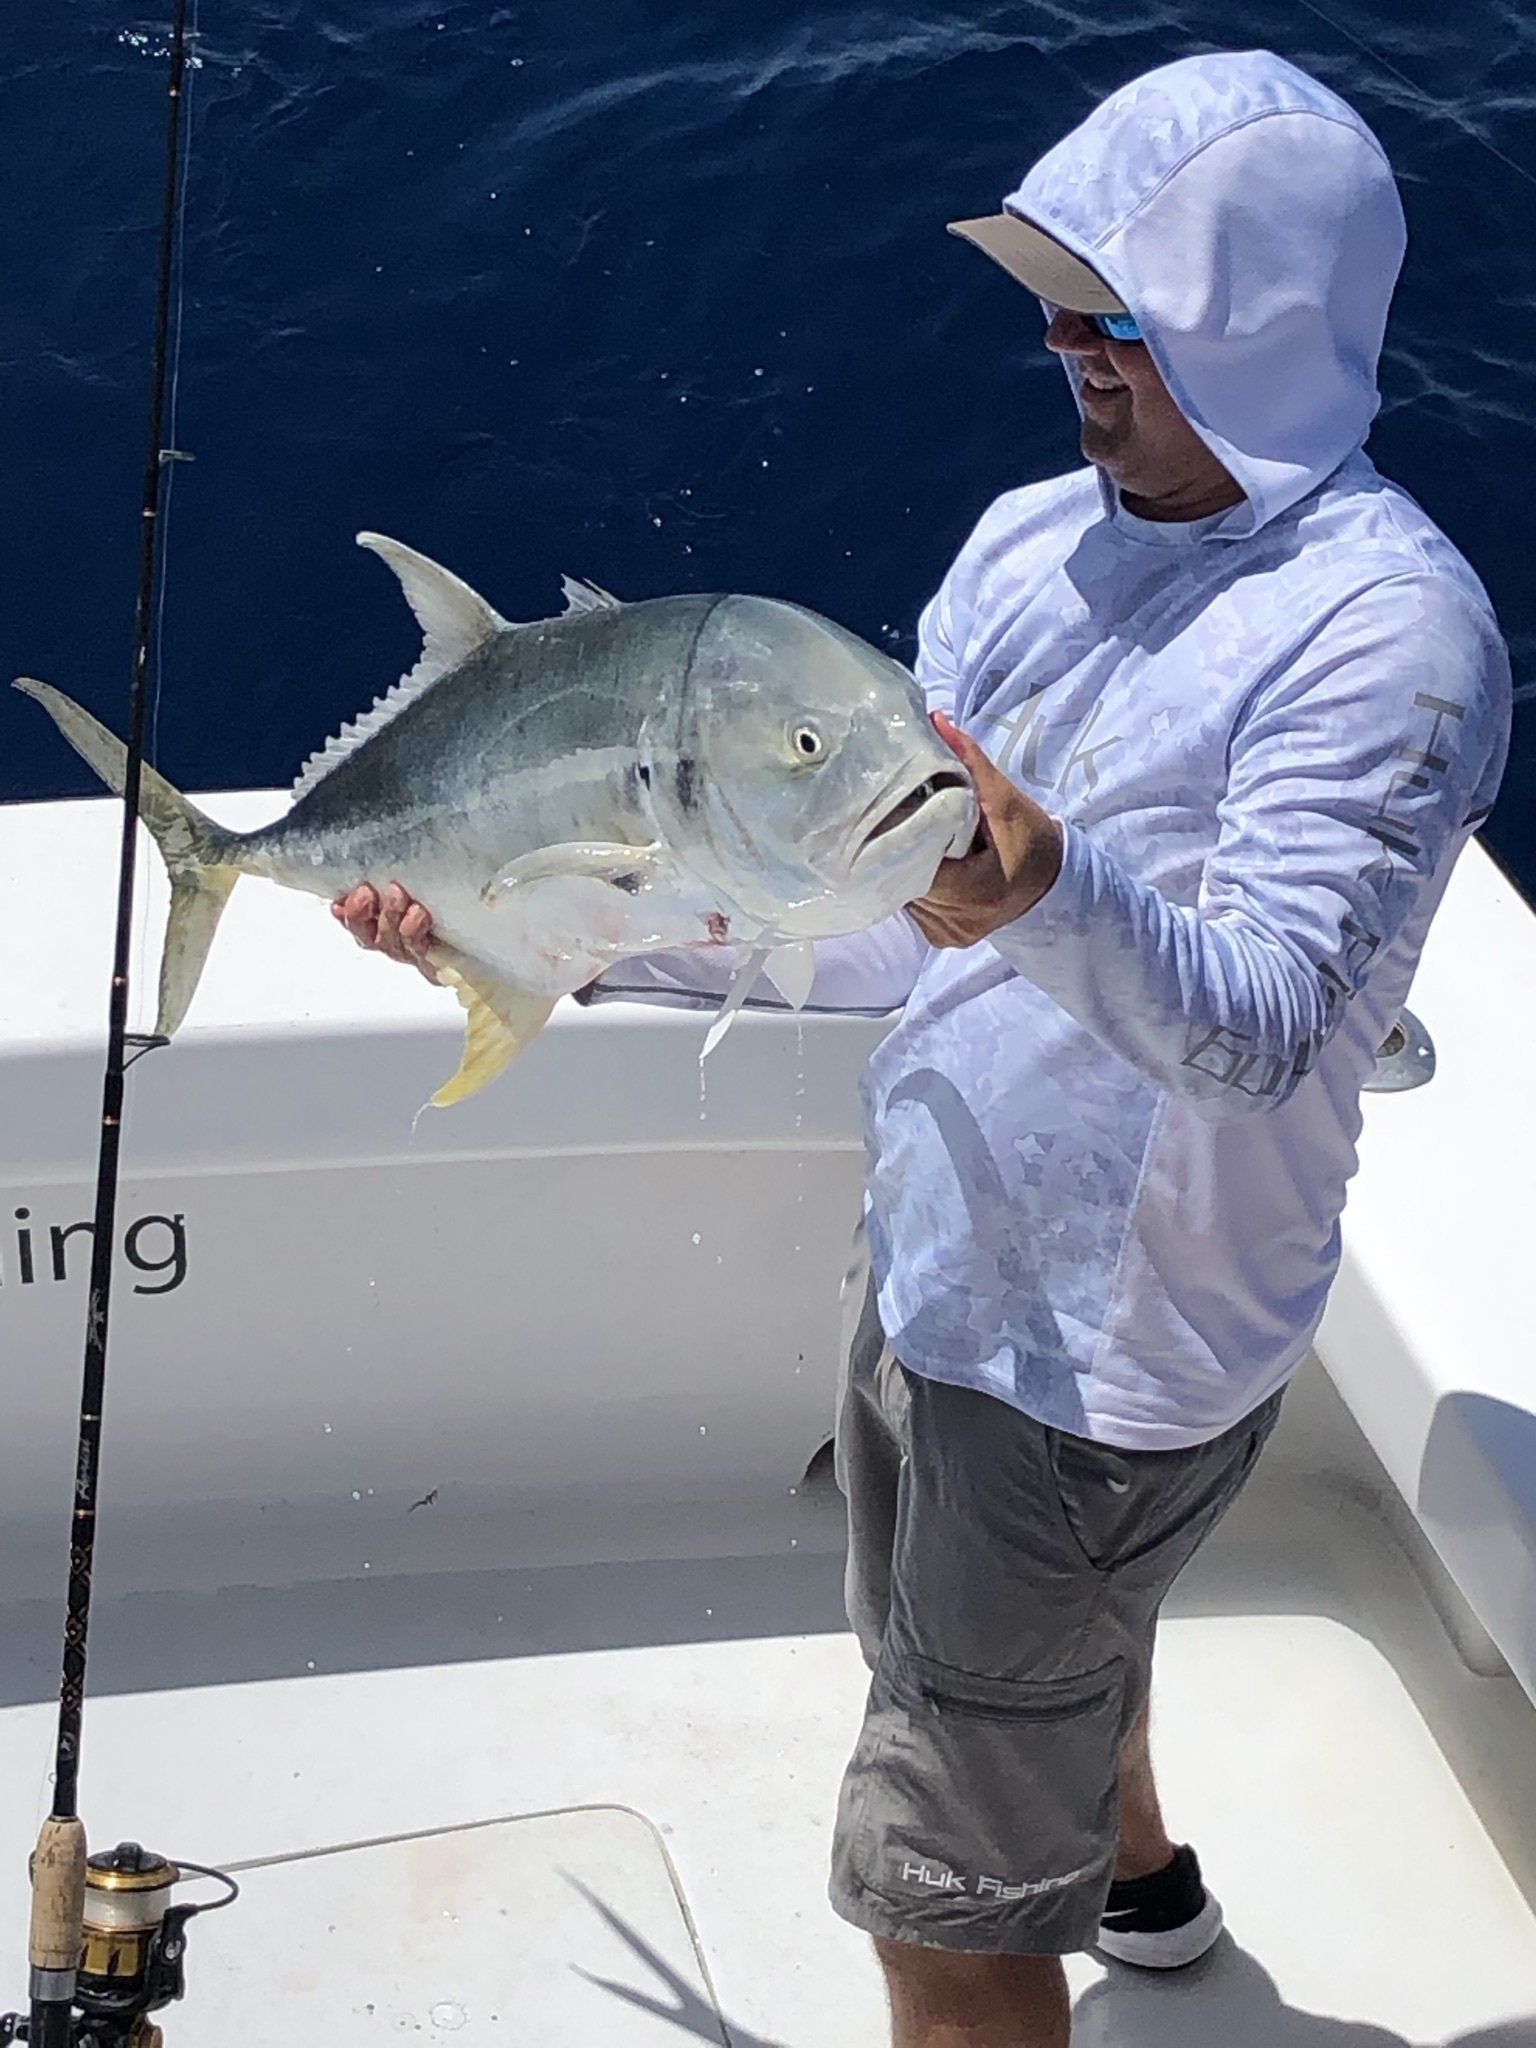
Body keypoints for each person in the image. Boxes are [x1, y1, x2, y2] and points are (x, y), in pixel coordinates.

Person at [334, 48, 1511, 2048]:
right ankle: (1137, 1877)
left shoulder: (1388, 638)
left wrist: (1035, 892)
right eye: (1052, 303)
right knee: (1027, 1647)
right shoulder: (1031, 539)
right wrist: (572, 948)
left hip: (1103, 1366)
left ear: (1264, 322)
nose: (1064, 347)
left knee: (938, 1917)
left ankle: (1051, 1903)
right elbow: (881, 928)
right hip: (948, 1261)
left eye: (1114, 314)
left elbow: (1269, 1036)